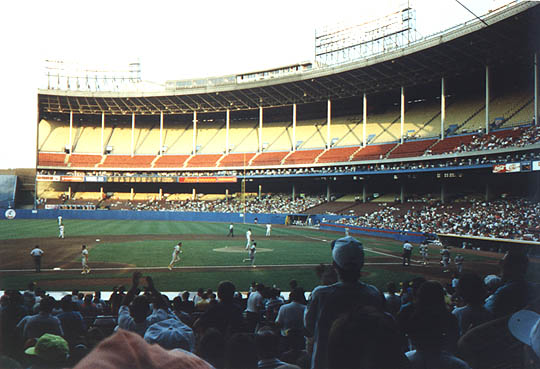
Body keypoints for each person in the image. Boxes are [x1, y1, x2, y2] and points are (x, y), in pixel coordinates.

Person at [304, 236, 385, 369]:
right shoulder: (374, 294)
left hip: (325, 362)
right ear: (362, 264)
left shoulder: (321, 294)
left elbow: (309, 326)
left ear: (334, 264)